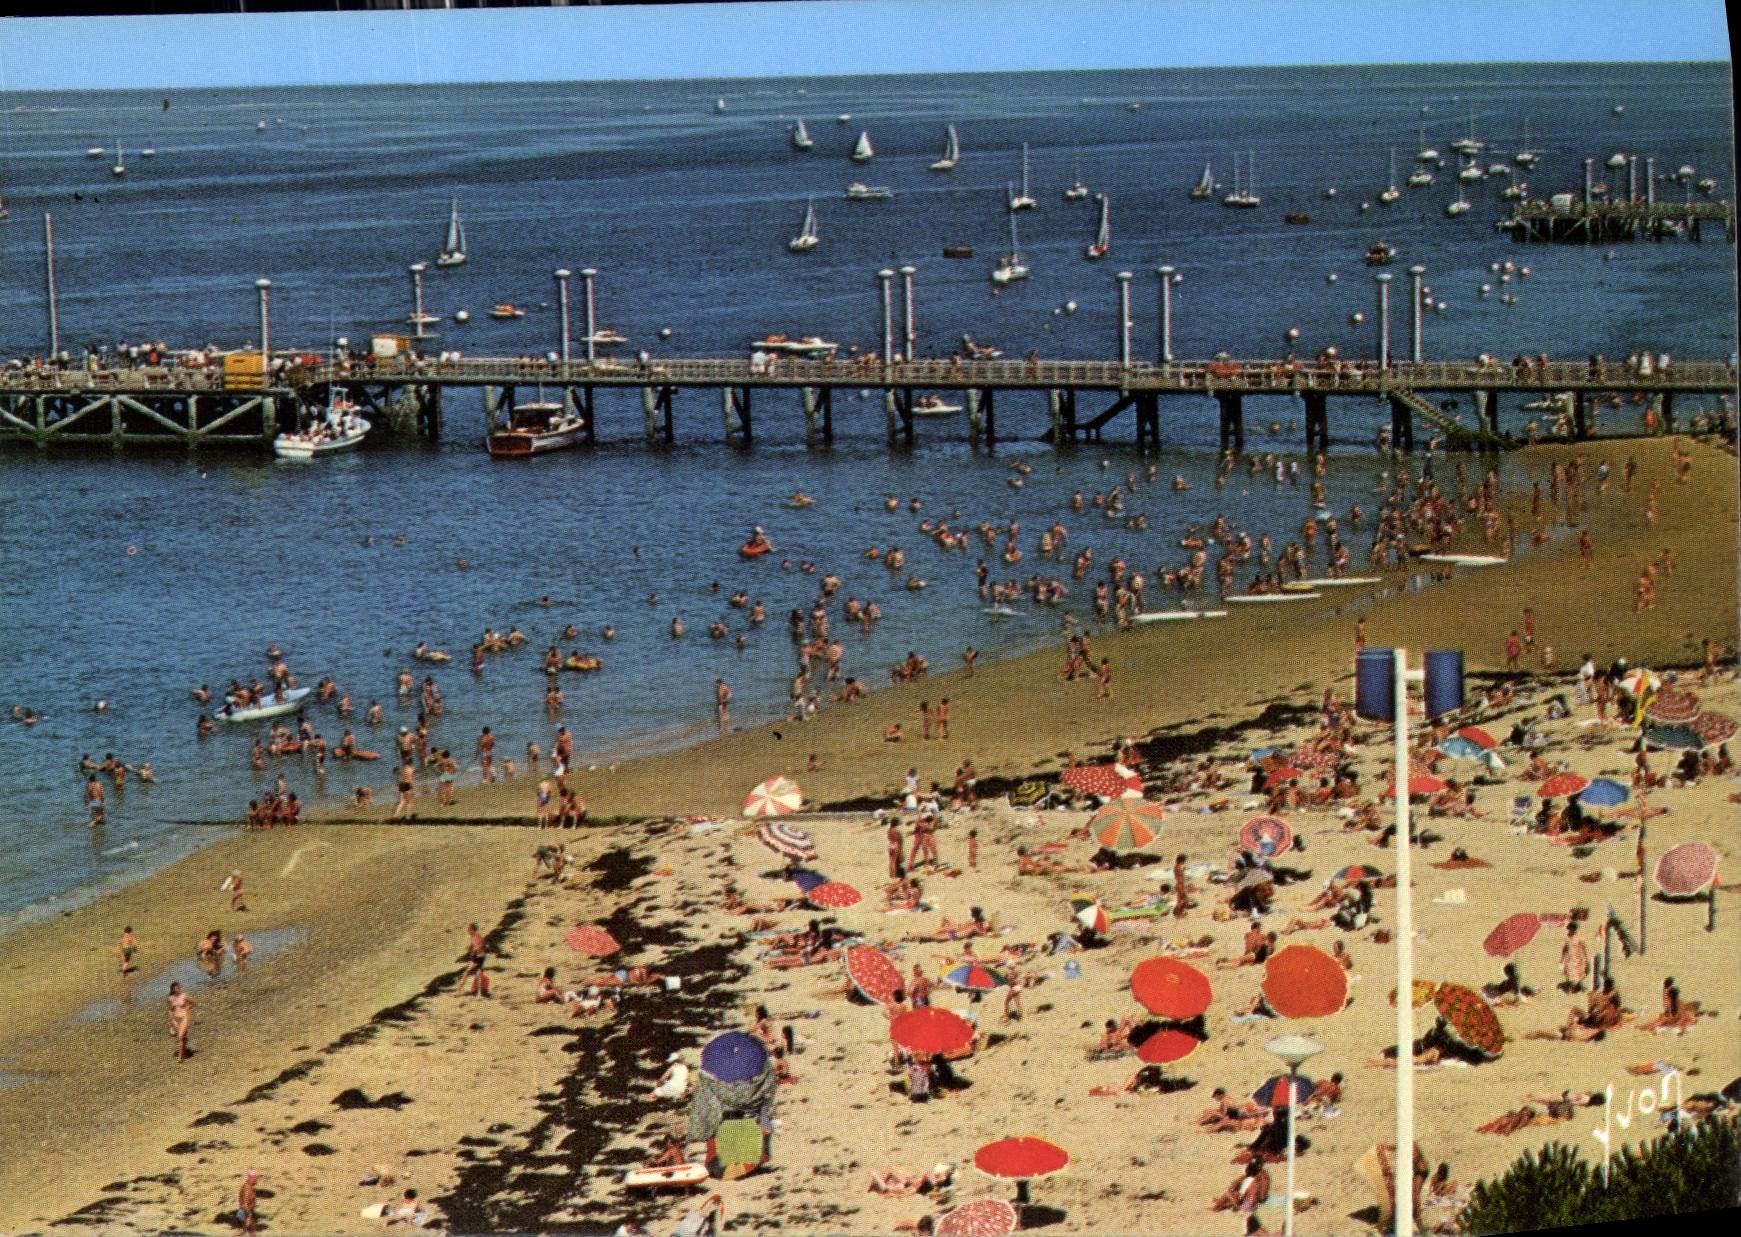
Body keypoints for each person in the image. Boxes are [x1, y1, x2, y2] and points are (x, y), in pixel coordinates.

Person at [167, 981, 194, 1061]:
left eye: (179, 988)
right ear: (173, 990)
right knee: (179, 1037)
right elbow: (171, 1010)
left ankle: (181, 1058)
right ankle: (183, 1050)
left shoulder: (184, 996)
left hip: (184, 1018)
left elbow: (193, 1002)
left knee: (180, 1036)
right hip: (176, 1019)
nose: (179, 990)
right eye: (177, 989)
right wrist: (171, 1021)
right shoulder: (171, 998)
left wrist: (187, 1008)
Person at [237, 1171, 259, 1235]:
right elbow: (245, 1202)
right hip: (246, 1211)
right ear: (250, 1179)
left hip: (244, 1211)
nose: (256, 1181)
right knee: (247, 1230)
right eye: (255, 1179)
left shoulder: (248, 1187)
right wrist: (249, 1216)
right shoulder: (247, 1189)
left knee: (246, 1230)